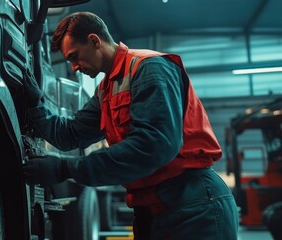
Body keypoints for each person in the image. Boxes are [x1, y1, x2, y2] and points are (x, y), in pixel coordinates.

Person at [23, 11, 239, 240]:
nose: (74, 67)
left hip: (194, 208)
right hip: (154, 211)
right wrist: (37, 106)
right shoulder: (106, 89)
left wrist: (65, 169)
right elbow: (71, 134)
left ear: (94, 41)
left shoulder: (149, 68)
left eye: (75, 56)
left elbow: (154, 146)